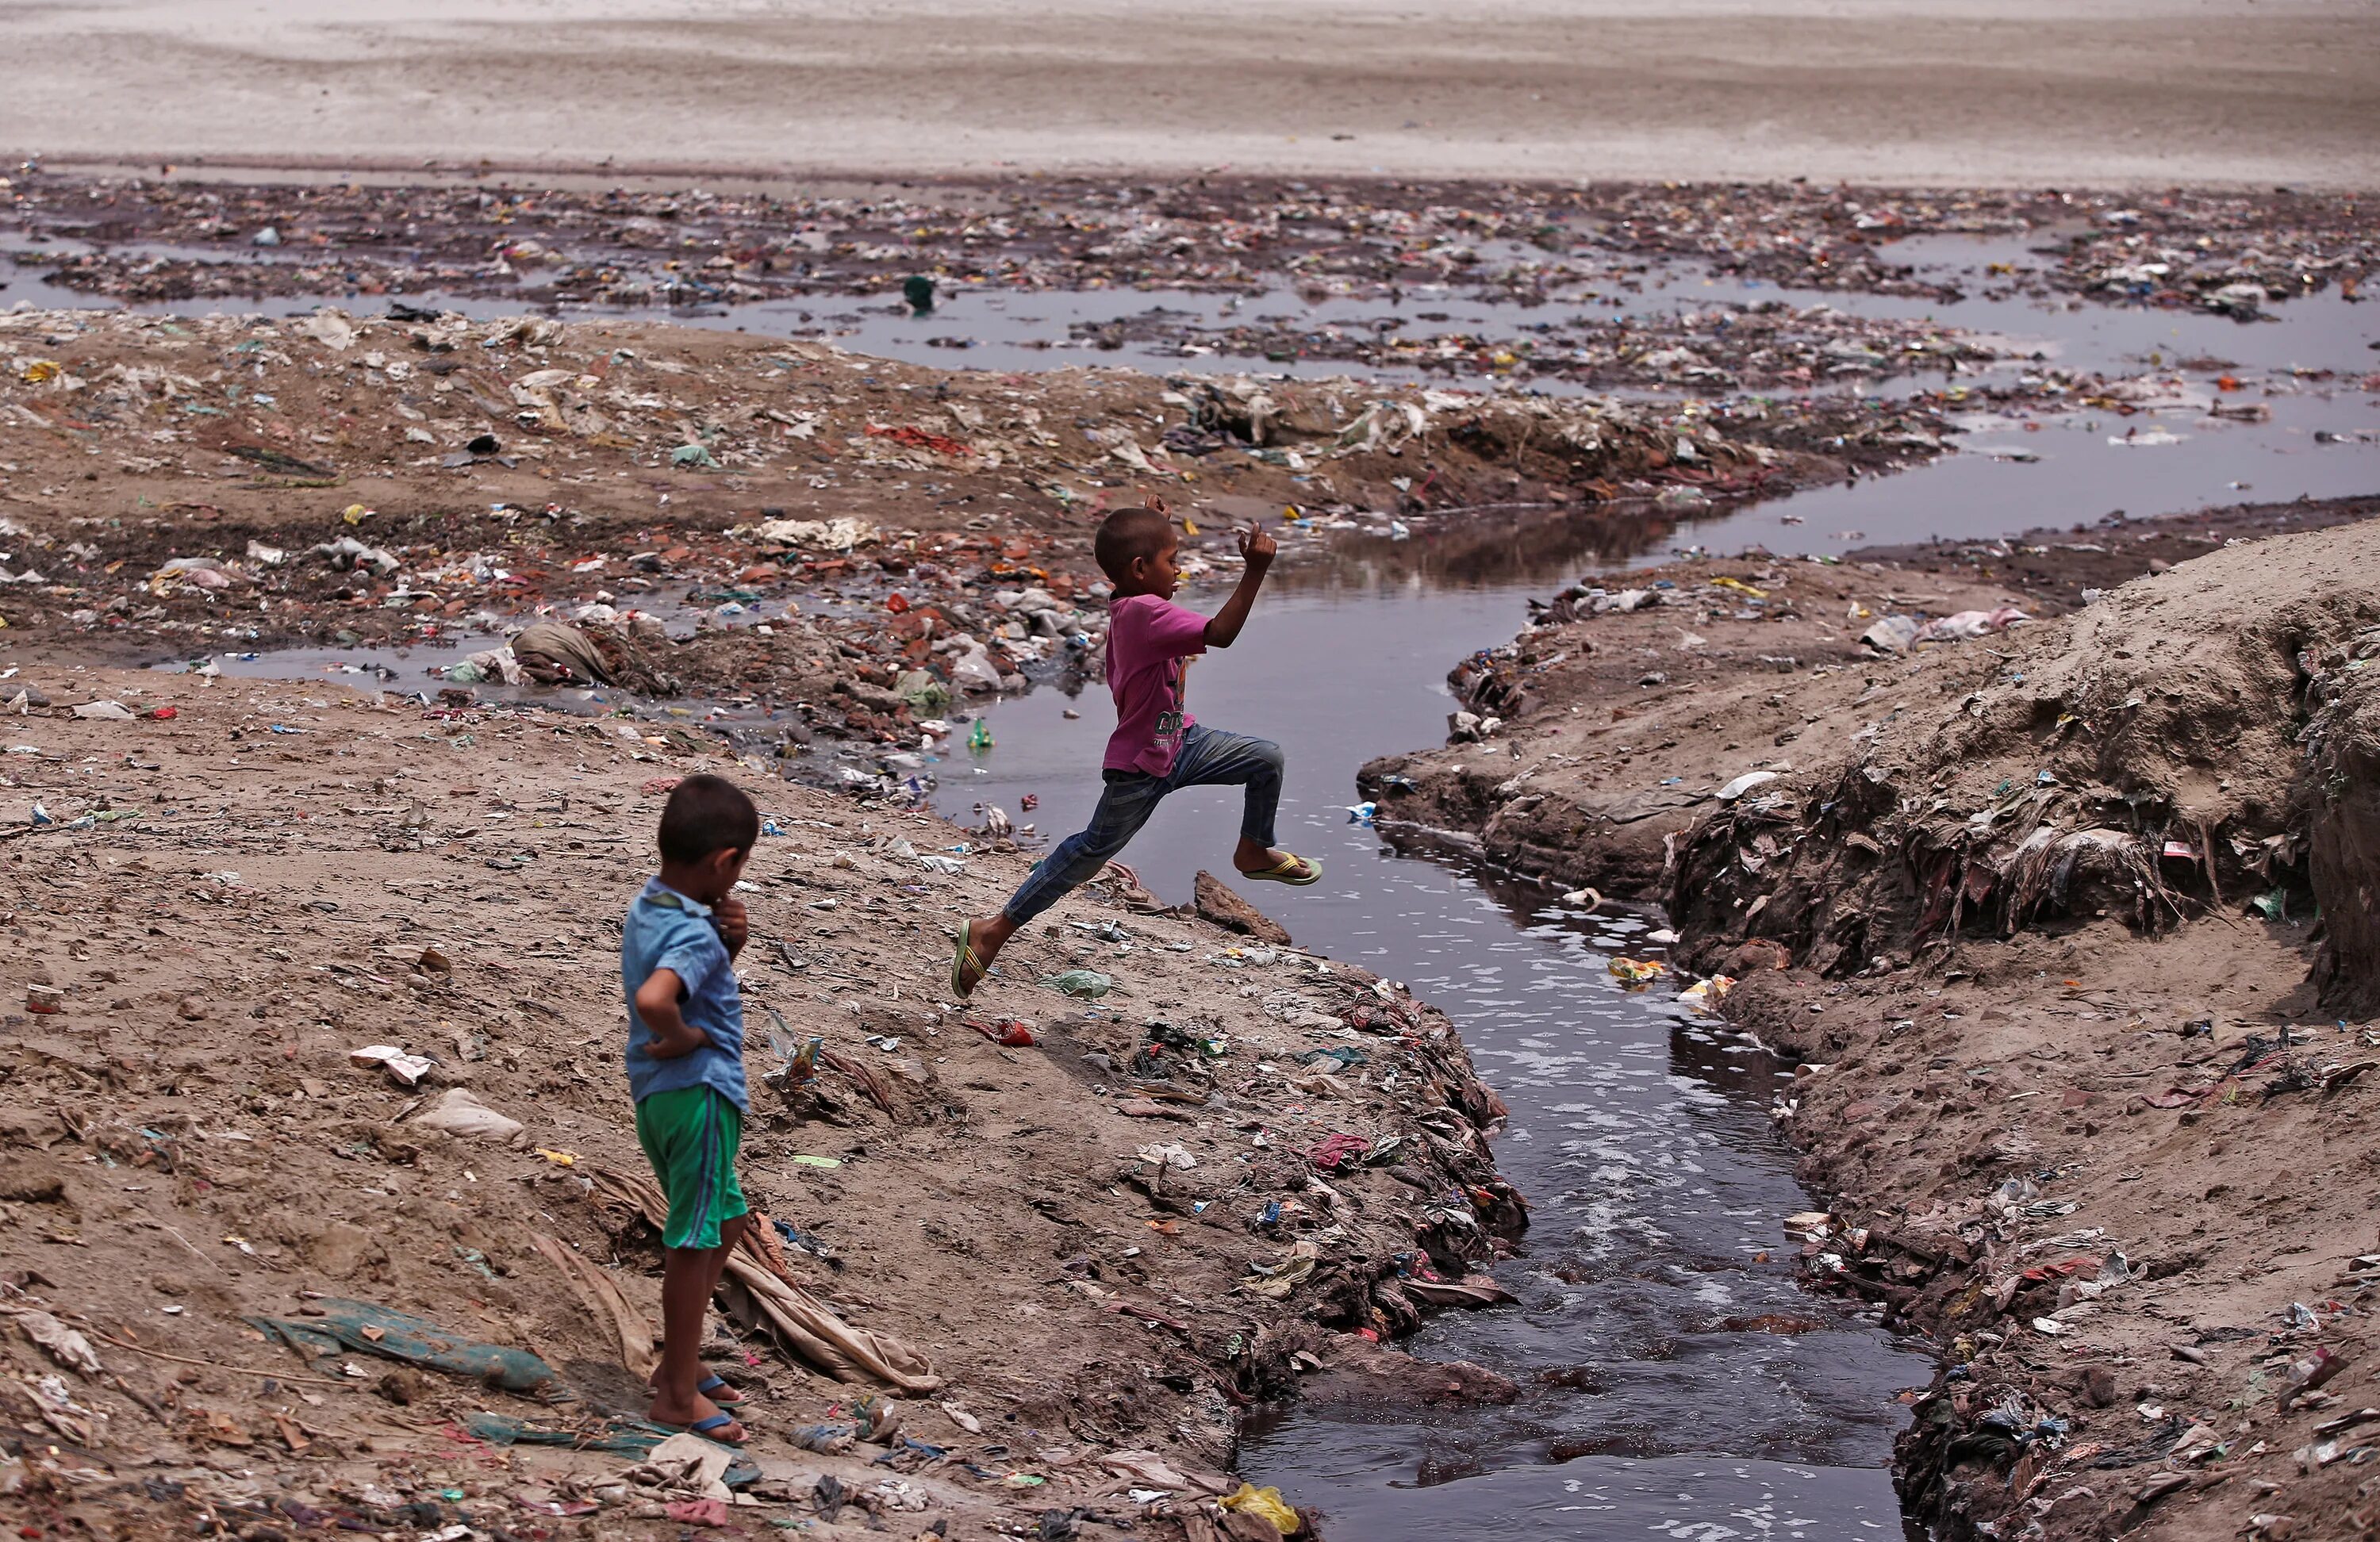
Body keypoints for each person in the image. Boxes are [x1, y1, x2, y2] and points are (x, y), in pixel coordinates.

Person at [950, 505, 1318, 998]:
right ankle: (993, 930)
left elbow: (1143, 574)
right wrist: (1254, 569)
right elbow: (1222, 635)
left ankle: (1253, 850)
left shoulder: (1133, 600)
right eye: (1172, 560)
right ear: (1141, 569)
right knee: (1090, 852)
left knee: (1265, 758)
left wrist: (1149, 526)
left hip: (1181, 742)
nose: (1180, 570)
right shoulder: (1145, 613)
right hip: (1142, 764)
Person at [622, 773, 759, 1443]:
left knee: (728, 1218)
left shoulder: (655, 904)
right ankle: (676, 1392)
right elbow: (656, 999)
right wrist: (683, 1037)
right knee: (694, 1238)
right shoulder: (696, 936)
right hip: (697, 1093)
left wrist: (727, 940)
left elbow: (688, 968)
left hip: (659, 1095)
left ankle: (684, 1361)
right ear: (724, 862)